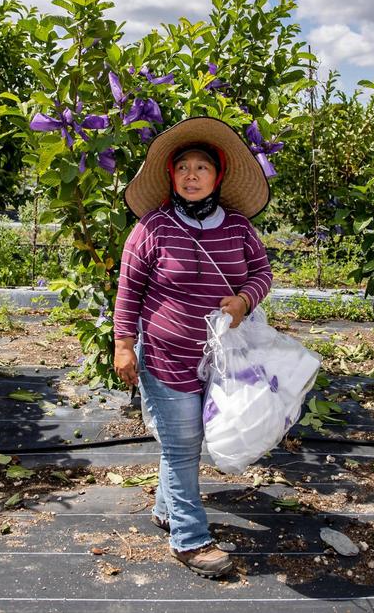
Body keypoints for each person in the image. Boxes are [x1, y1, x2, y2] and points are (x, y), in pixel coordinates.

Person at [113, 116, 273, 578]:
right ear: (171, 176)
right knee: (183, 446)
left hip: (222, 361)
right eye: (182, 167)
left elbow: (262, 274)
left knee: (191, 441)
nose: (191, 175)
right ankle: (189, 539)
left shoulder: (239, 228)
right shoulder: (151, 228)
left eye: (201, 167)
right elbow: (129, 291)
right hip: (167, 355)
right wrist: (125, 345)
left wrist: (244, 300)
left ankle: (166, 509)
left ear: (217, 177)